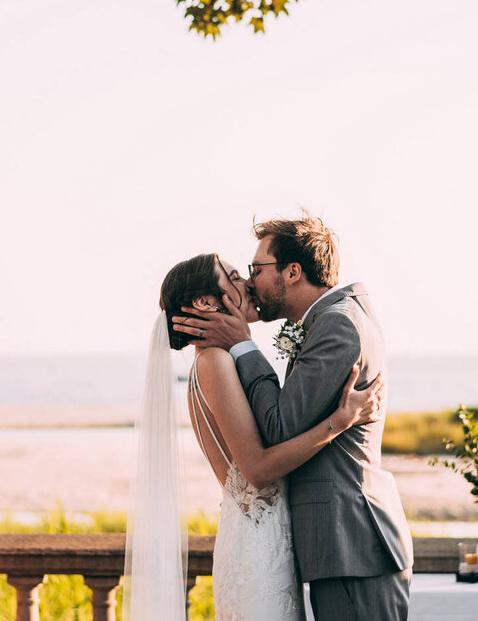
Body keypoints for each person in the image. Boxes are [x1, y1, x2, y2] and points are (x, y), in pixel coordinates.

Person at [174, 215, 414, 621]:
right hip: (334, 545)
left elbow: (280, 426)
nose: (250, 282)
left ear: (293, 271)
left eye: (255, 269)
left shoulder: (337, 324)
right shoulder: (325, 321)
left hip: (351, 541)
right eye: (241, 274)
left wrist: (244, 346)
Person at [126, 253, 384, 621]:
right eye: (233, 277)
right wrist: (339, 422)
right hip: (256, 547)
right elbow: (258, 469)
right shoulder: (213, 361)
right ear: (205, 303)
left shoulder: (219, 360)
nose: (248, 283)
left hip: (265, 540)